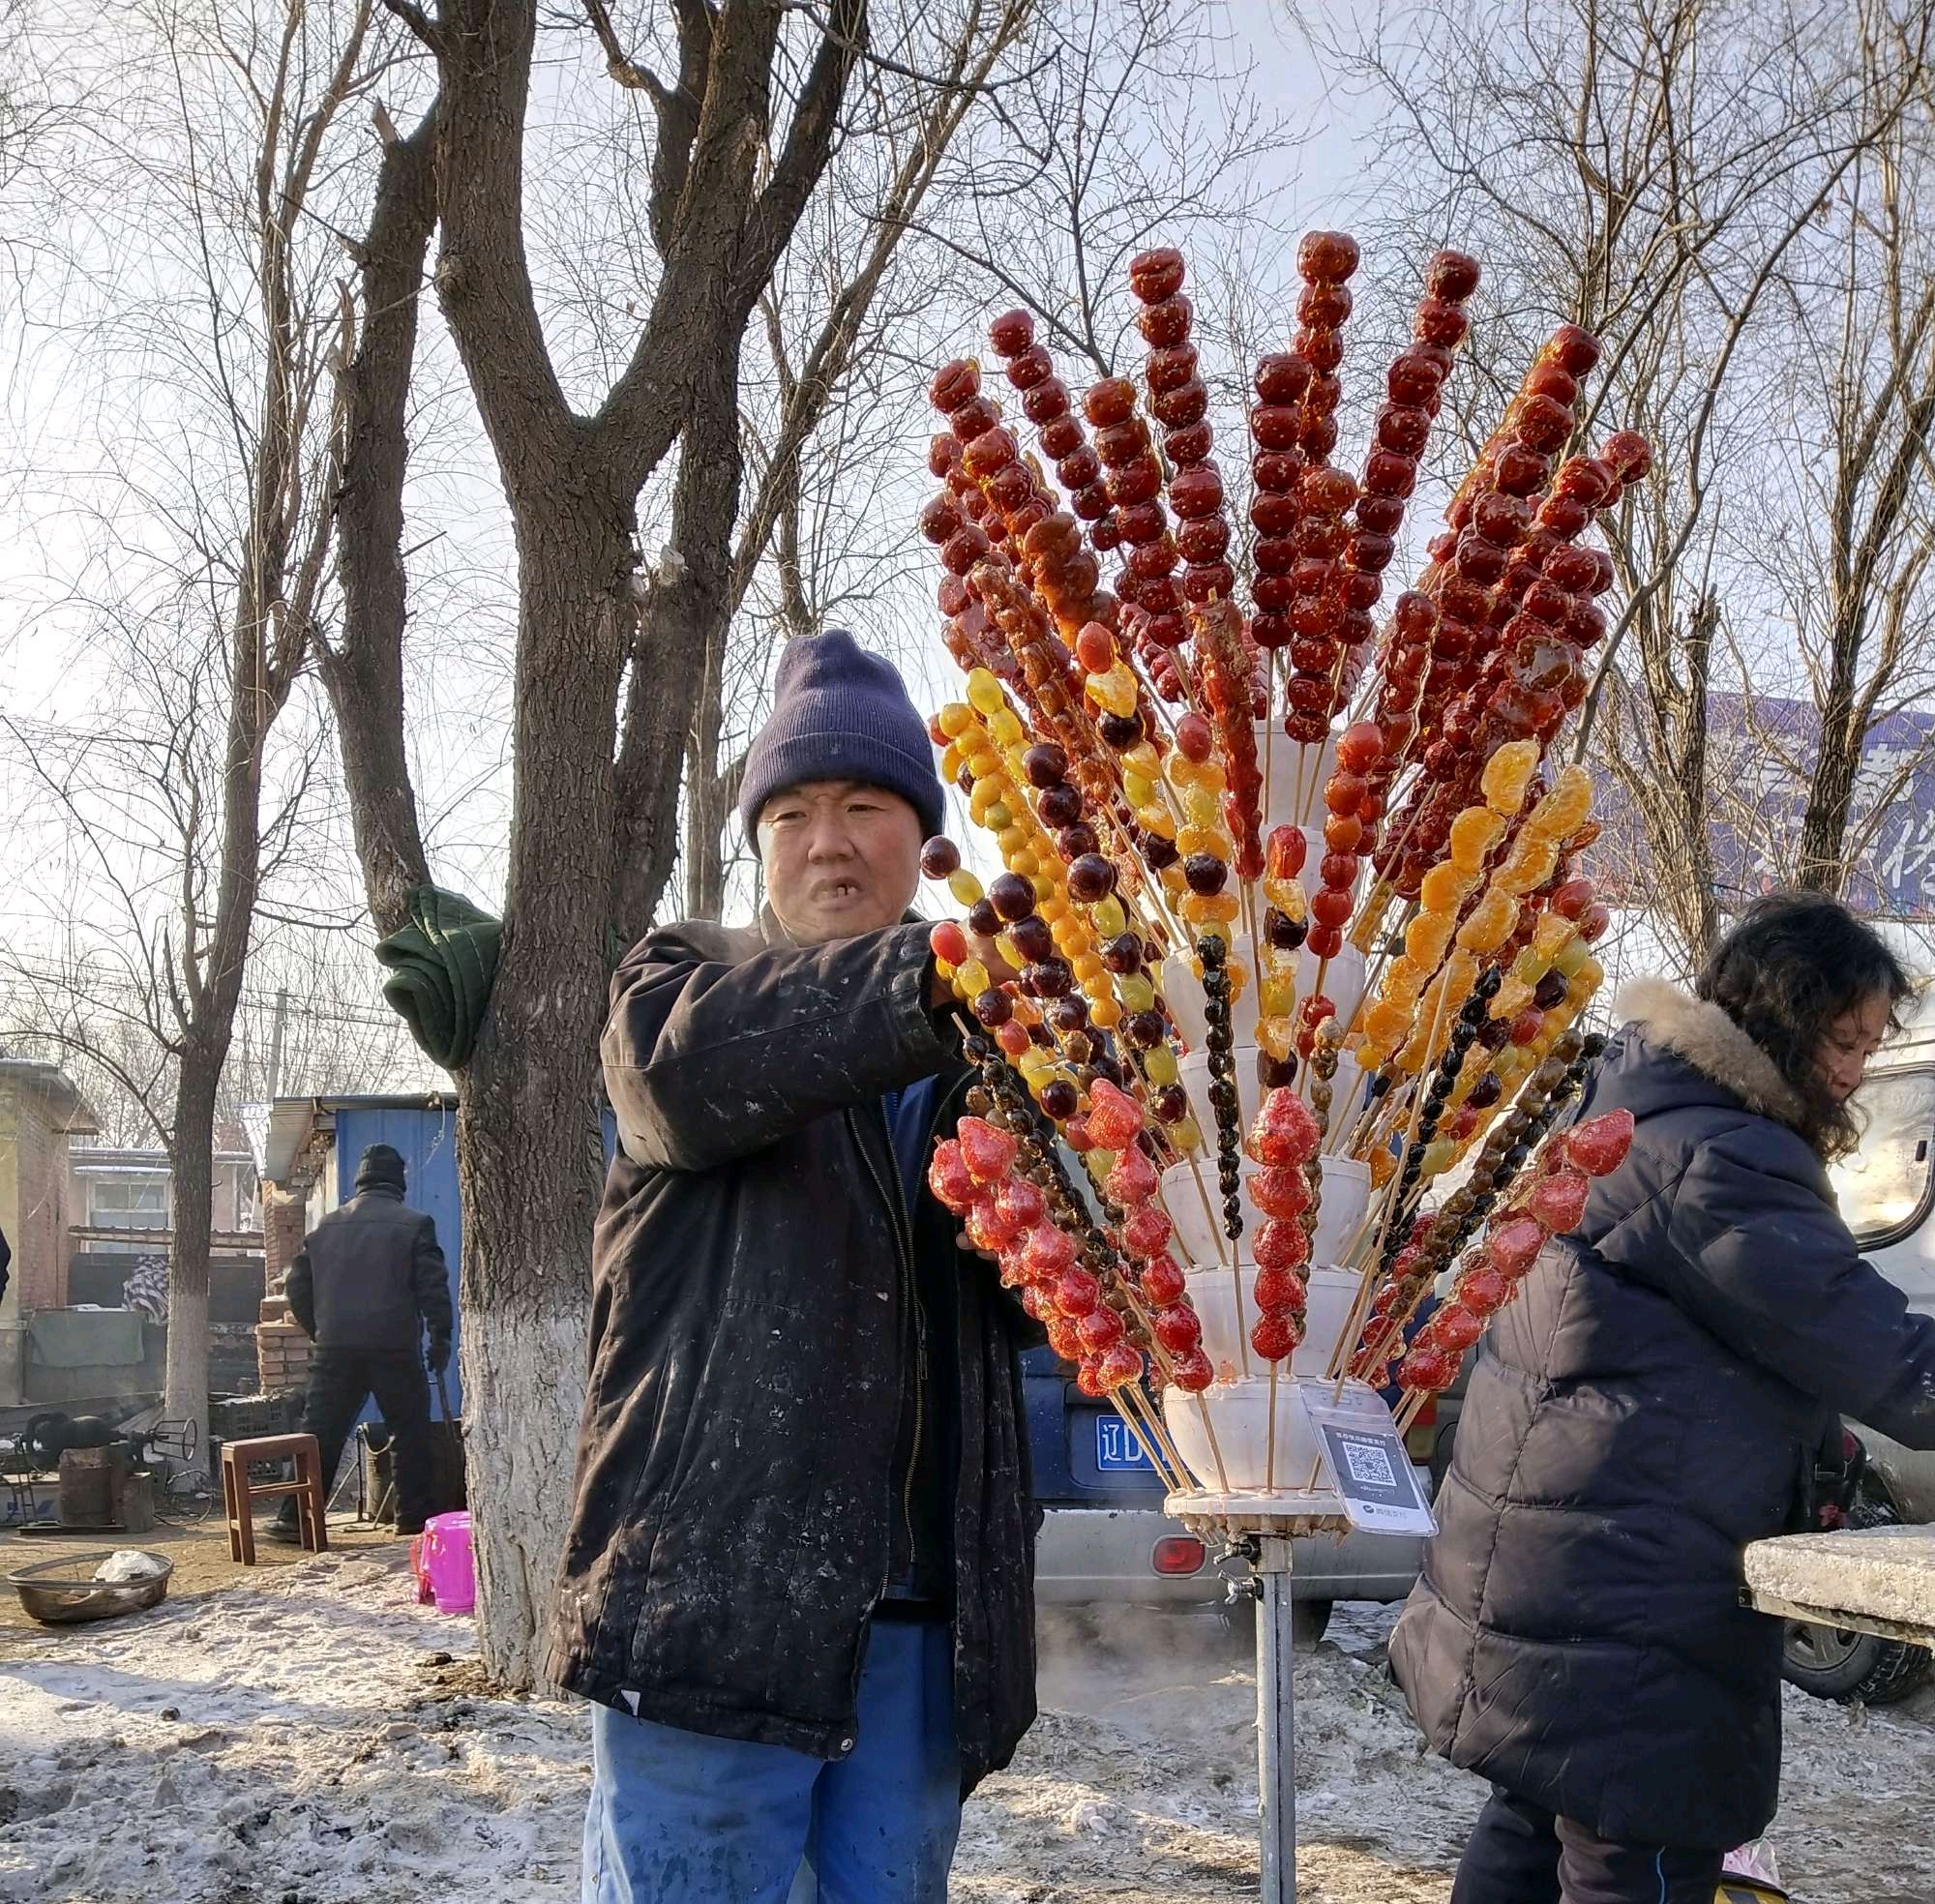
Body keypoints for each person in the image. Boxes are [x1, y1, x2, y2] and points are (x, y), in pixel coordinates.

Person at [551, 628, 1039, 1904]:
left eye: (866, 806)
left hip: (921, 1625)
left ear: (920, 837)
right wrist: (934, 979)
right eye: (796, 812)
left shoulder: (991, 1046)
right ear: (761, 846)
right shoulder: (683, 986)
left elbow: (1042, 1300)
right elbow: (682, 1088)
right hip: (715, 1602)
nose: (830, 840)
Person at [1392, 891, 1935, 1903]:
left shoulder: (1632, 1111)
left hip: (1549, 1571)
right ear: (1780, 1021)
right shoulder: (1719, 1158)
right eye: (1844, 1041)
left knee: (1532, 1824)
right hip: (1624, 1597)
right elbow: (1880, 1357)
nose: (1857, 1069)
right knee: (1634, 1854)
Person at [276, 1143, 452, 1539]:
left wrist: (320, 1330)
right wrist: (440, 1338)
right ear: (398, 1181)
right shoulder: (414, 1223)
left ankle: (294, 1518)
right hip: (393, 1347)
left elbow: (297, 1285)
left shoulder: (326, 1228)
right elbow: (432, 1286)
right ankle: (412, 1518)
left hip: (336, 1348)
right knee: (408, 1432)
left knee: (319, 1432)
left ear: (359, 1181)